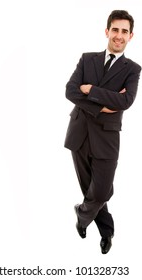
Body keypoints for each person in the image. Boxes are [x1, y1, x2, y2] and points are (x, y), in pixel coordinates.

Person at [64, 10, 141, 254]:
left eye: (124, 31)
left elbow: (126, 101)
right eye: (115, 30)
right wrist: (105, 104)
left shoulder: (133, 69)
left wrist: (91, 90)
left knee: (102, 190)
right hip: (80, 134)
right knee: (90, 188)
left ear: (131, 36)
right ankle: (107, 232)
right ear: (107, 31)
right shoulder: (87, 59)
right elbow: (70, 91)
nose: (119, 35)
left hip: (107, 137)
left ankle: (82, 214)